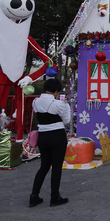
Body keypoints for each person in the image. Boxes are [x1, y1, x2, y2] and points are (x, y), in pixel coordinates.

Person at [29, 78, 70, 207]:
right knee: (56, 167)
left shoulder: (35, 101)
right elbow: (67, 121)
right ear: (56, 91)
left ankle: (34, 196)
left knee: (44, 166)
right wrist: (66, 104)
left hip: (42, 136)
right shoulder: (58, 104)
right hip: (57, 136)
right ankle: (54, 197)